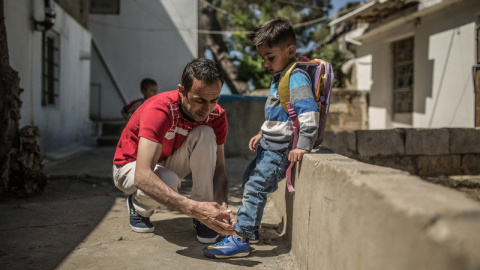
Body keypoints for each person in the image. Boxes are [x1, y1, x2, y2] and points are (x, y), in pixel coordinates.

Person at [203, 18, 320, 258]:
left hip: (279, 151)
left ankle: (241, 238)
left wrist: (303, 145)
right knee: (249, 180)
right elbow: (282, 116)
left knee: (256, 186)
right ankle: (251, 228)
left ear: (290, 51)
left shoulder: (295, 76)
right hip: (268, 146)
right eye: (263, 58)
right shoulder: (281, 76)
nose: (265, 63)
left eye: (270, 57)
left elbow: (308, 113)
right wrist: (262, 133)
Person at [113, 58, 235, 244]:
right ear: (182, 91)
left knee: (206, 133)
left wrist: (221, 209)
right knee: (168, 180)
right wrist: (192, 208)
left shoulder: (216, 115)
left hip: (166, 161)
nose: (207, 109)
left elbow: (219, 170)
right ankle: (138, 206)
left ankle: (205, 214)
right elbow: (142, 175)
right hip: (130, 166)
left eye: (214, 100)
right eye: (199, 100)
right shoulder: (160, 109)